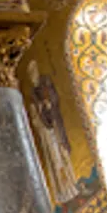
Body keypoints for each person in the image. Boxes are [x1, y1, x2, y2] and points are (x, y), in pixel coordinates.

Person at [27, 60, 78, 204]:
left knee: (63, 155)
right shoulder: (33, 96)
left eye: (34, 72)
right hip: (46, 134)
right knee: (55, 162)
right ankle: (62, 193)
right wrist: (40, 110)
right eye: (31, 74)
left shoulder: (46, 86)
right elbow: (36, 119)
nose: (33, 76)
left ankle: (73, 186)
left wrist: (49, 106)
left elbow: (54, 101)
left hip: (55, 128)